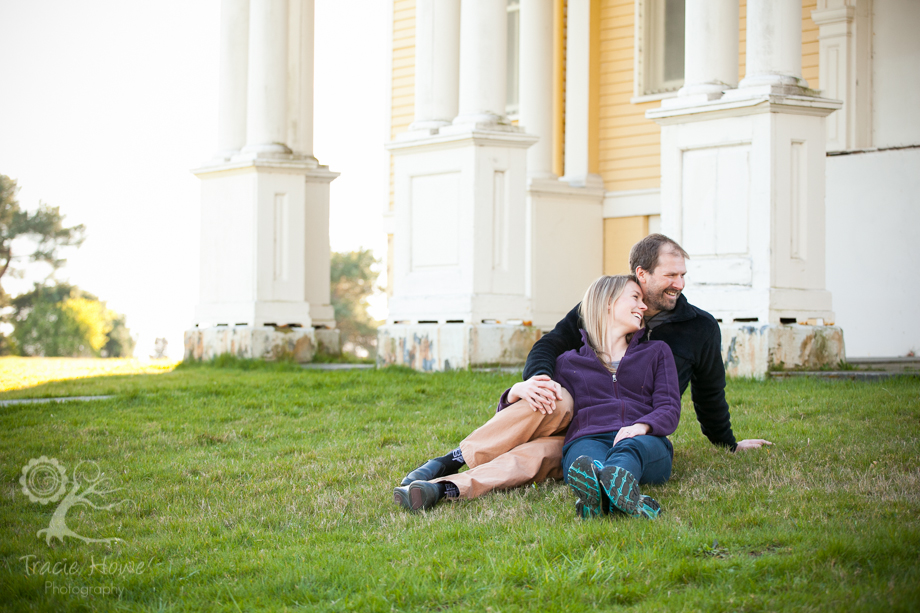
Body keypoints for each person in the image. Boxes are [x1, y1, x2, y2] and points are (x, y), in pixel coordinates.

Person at [393, 234, 770, 512]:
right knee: (548, 396)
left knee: (528, 459)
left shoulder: (685, 336)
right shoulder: (588, 326)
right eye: (671, 275)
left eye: (683, 275)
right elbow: (548, 345)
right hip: (581, 430)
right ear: (641, 275)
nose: (680, 284)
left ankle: (441, 489)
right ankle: (453, 458)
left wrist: (727, 442)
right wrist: (528, 383)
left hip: (631, 432)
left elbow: (707, 393)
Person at [394, 275, 681, 518]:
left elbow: (669, 407)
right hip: (587, 439)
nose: (644, 306)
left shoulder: (656, 352)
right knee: (576, 447)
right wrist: (514, 393)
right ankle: (443, 485)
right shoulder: (568, 362)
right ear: (608, 302)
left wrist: (641, 427)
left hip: (641, 441)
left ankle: (609, 490)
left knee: (625, 451)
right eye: (635, 297)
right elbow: (528, 414)